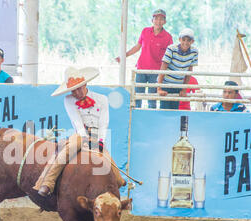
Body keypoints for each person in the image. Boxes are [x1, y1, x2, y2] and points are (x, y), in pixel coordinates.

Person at [33, 66, 126, 197]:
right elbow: (77, 121)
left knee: (108, 163)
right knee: (67, 151)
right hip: (79, 135)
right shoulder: (69, 100)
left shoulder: (102, 99)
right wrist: (84, 138)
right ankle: (48, 182)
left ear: (85, 84)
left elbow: (104, 123)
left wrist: (100, 141)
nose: (77, 93)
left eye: (79, 88)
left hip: (96, 135)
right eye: (73, 90)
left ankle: (118, 181)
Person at [116, 9, 173, 109]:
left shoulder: (168, 37)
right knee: (137, 96)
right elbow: (137, 47)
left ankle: (151, 119)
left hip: (156, 72)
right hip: (141, 69)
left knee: (152, 99)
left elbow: (170, 56)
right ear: (152, 20)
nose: (158, 21)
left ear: (165, 21)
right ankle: (136, 117)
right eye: (156, 18)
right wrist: (124, 56)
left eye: (161, 19)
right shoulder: (145, 31)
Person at [157, 28, 198, 109]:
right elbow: (163, 68)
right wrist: (159, 88)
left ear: (192, 41)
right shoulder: (171, 49)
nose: (186, 42)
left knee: (174, 111)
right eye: (183, 39)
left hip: (178, 85)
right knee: (164, 111)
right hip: (166, 84)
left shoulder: (194, 52)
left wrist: (183, 89)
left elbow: (189, 71)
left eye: (188, 40)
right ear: (179, 39)